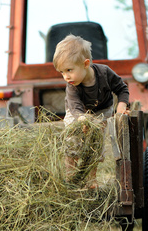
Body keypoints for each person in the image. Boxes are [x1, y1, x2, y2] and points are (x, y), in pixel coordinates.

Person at [53, 34, 130, 189]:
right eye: (62, 72)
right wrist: (81, 119)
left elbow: (122, 88)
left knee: (95, 144)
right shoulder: (72, 85)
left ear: (85, 64)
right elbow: (74, 106)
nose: (66, 77)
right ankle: (71, 177)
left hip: (101, 110)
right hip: (77, 112)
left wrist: (121, 105)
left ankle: (91, 180)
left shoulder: (105, 73)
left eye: (69, 70)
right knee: (72, 141)